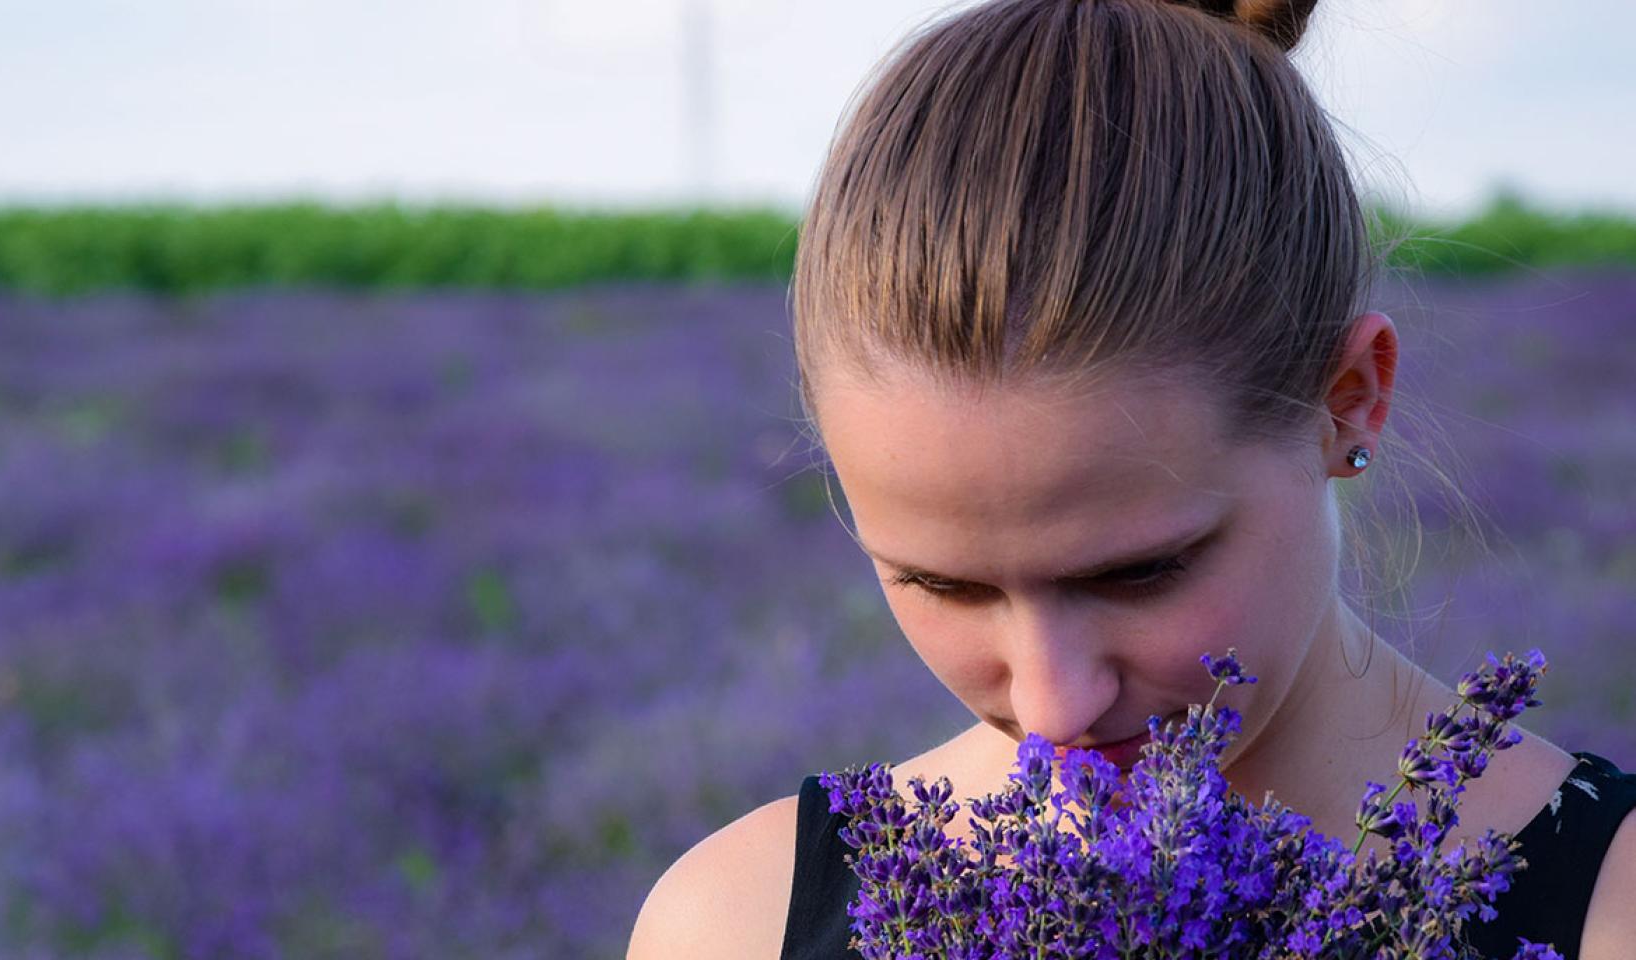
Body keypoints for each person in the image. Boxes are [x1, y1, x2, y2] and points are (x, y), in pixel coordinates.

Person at [627, 1, 1636, 957]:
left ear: (1345, 400)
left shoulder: (1610, 913)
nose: (1054, 706)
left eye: (1137, 572)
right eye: (945, 584)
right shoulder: (735, 926)